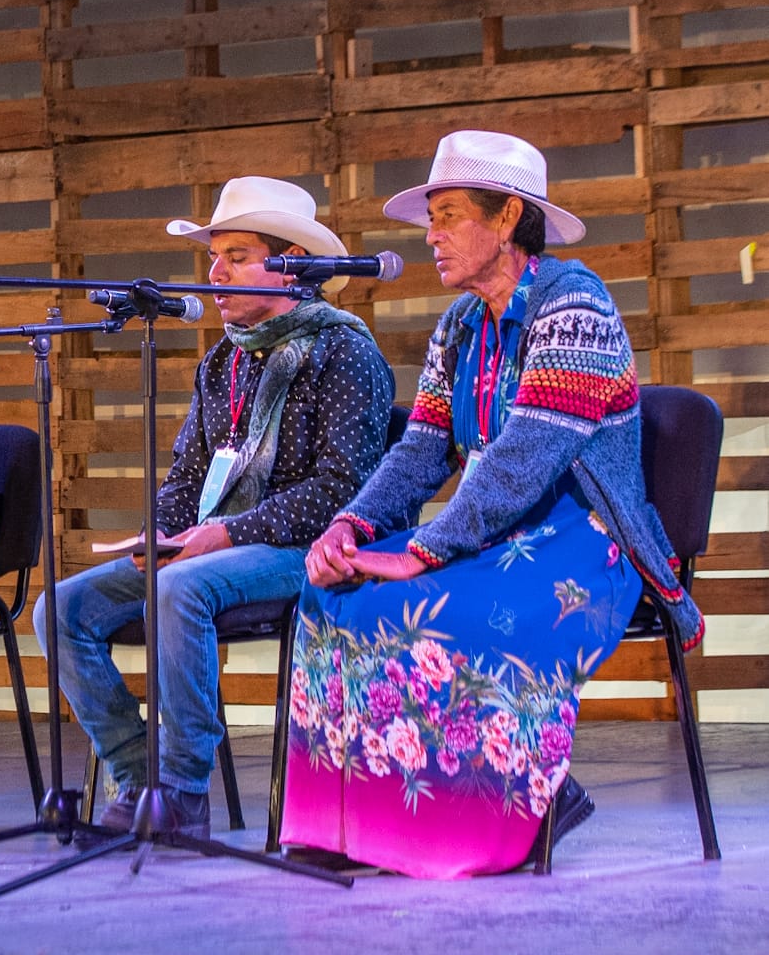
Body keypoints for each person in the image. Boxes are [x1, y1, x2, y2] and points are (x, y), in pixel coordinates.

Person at [284, 130, 703, 879]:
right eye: (430, 219)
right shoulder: (459, 326)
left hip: (585, 543)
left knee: (444, 612)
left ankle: (513, 807)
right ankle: (348, 829)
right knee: (332, 599)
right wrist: (350, 524)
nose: (432, 236)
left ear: (507, 217)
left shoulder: (575, 304)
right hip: (493, 535)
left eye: (448, 215)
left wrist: (426, 549)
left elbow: (524, 455)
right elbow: (421, 450)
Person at [35, 177, 394, 841]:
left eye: (236, 254)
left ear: (295, 266)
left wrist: (227, 532)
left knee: (176, 589)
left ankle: (183, 790)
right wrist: (165, 529)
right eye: (214, 254)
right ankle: (140, 776)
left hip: (309, 552)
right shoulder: (223, 362)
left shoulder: (345, 351)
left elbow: (342, 491)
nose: (214, 271)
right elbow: (188, 473)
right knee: (58, 609)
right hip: (219, 546)